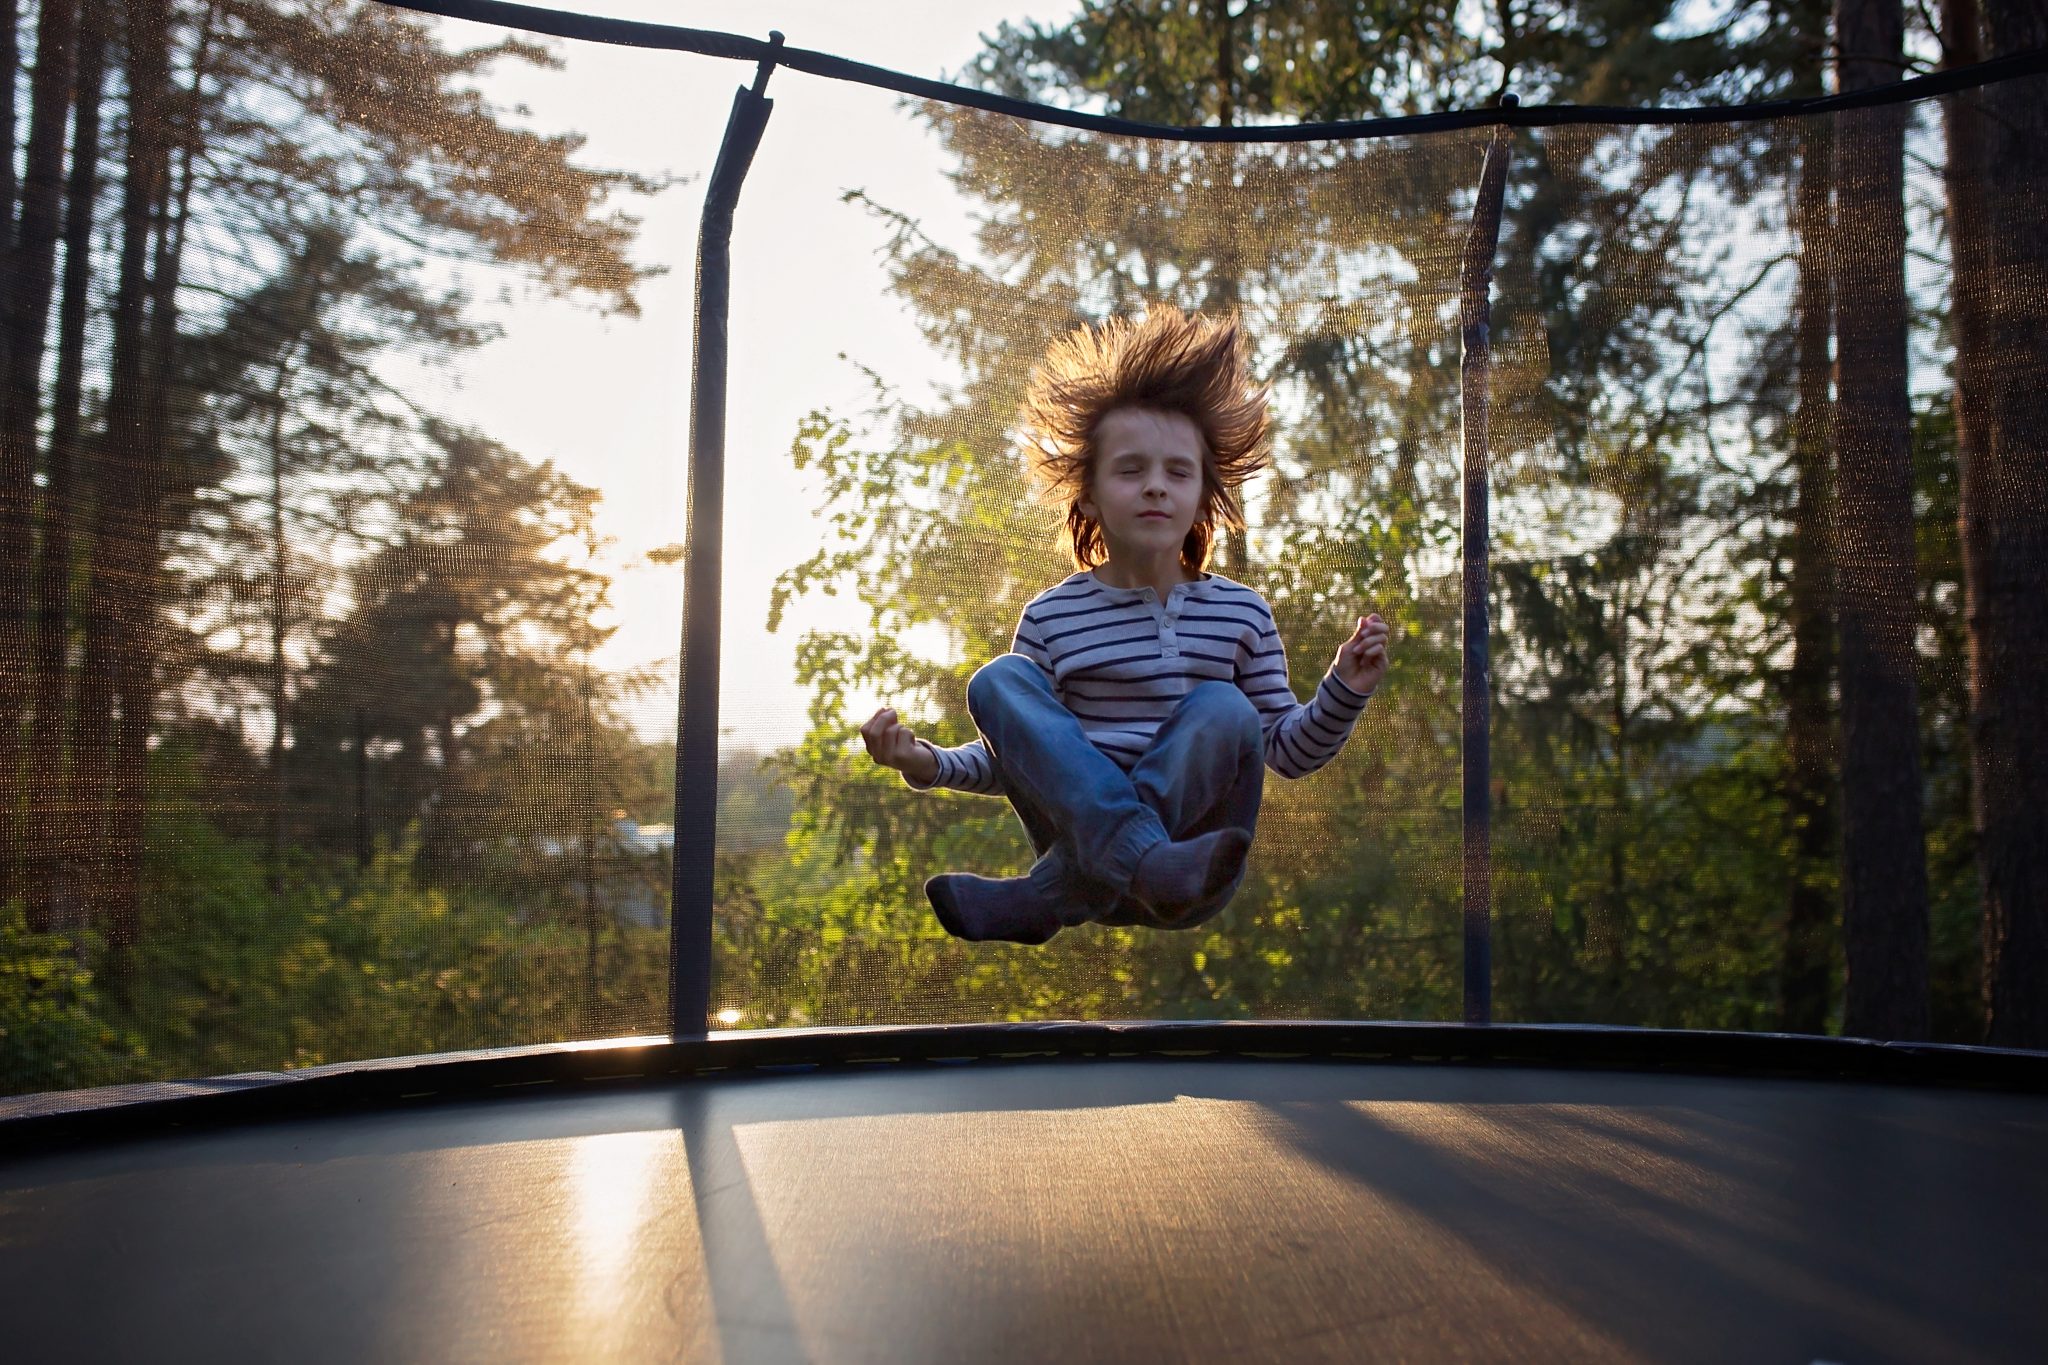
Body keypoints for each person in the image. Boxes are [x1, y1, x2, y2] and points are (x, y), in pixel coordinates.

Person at [859, 306, 1391, 944]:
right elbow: (1019, 761)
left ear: (1202, 497)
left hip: (1195, 867)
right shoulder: (1053, 618)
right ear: (1086, 494)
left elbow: (1286, 751)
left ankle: (1050, 894)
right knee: (998, 681)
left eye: (1178, 472)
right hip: (1087, 844)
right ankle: (1129, 860)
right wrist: (926, 762)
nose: (1156, 488)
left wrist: (1345, 688)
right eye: (1131, 470)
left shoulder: (1241, 613)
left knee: (1224, 707)